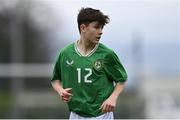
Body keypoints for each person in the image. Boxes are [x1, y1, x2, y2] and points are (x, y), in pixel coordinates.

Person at [51, 7, 127, 119]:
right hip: (76, 115)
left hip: (101, 115)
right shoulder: (65, 53)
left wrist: (112, 98)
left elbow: (121, 79)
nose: (100, 32)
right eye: (96, 27)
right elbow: (55, 80)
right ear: (83, 28)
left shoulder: (107, 54)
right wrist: (60, 91)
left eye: (101, 28)